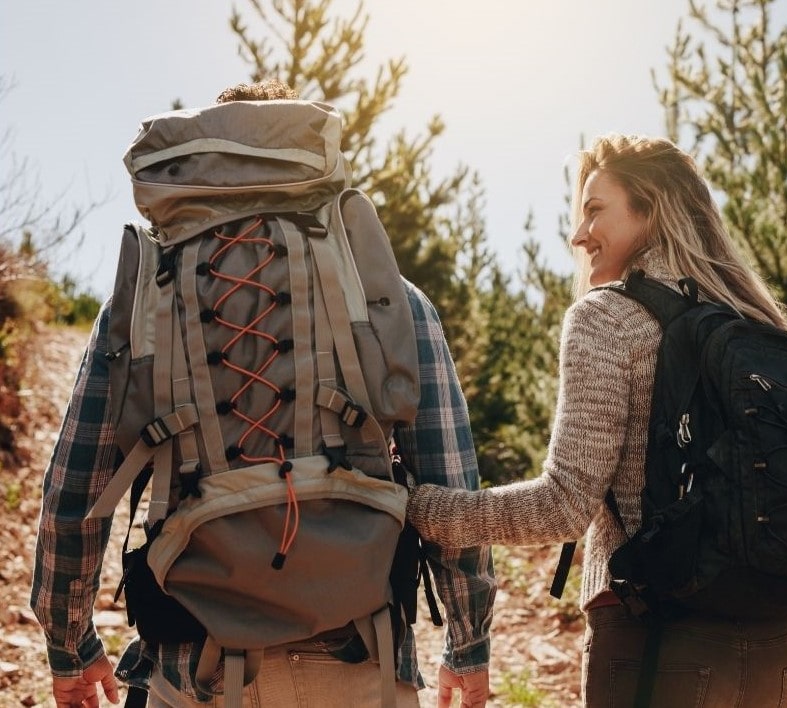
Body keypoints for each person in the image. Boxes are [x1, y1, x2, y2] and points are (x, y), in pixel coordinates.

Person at [30, 80, 495, 708]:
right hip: (361, 655)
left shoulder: (142, 302)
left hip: (196, 662)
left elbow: (75, 486)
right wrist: (469, 642)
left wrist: (70, 641)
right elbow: (450, 479)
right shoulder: (385, 295)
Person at [407, 134, 787, 707]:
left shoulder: (608, 317)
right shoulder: (755, 317)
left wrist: (427, 510)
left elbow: (565, 504)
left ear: (651, 208)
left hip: (658, 637)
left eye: (595, 210)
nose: (578, 235)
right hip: (780, 638)